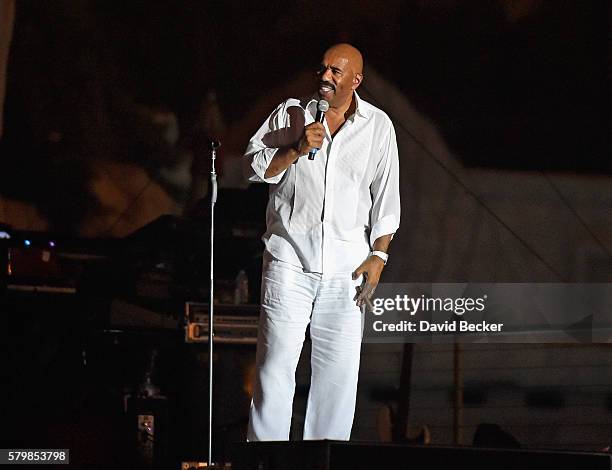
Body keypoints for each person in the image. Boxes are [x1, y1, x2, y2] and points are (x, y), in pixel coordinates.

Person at [243, 43, 400, 441]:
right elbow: (254, 167)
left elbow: (386, 199)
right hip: (289, 259)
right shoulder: (292, 112)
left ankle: (322, 460)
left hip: (347, 268)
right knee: (275, 367)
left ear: (355, 80)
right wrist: (296, 148)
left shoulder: (378, 126)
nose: (325, 77)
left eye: (335, 71)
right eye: (323, 69)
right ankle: (266, 459)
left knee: (338, 376)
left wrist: (379, 255)